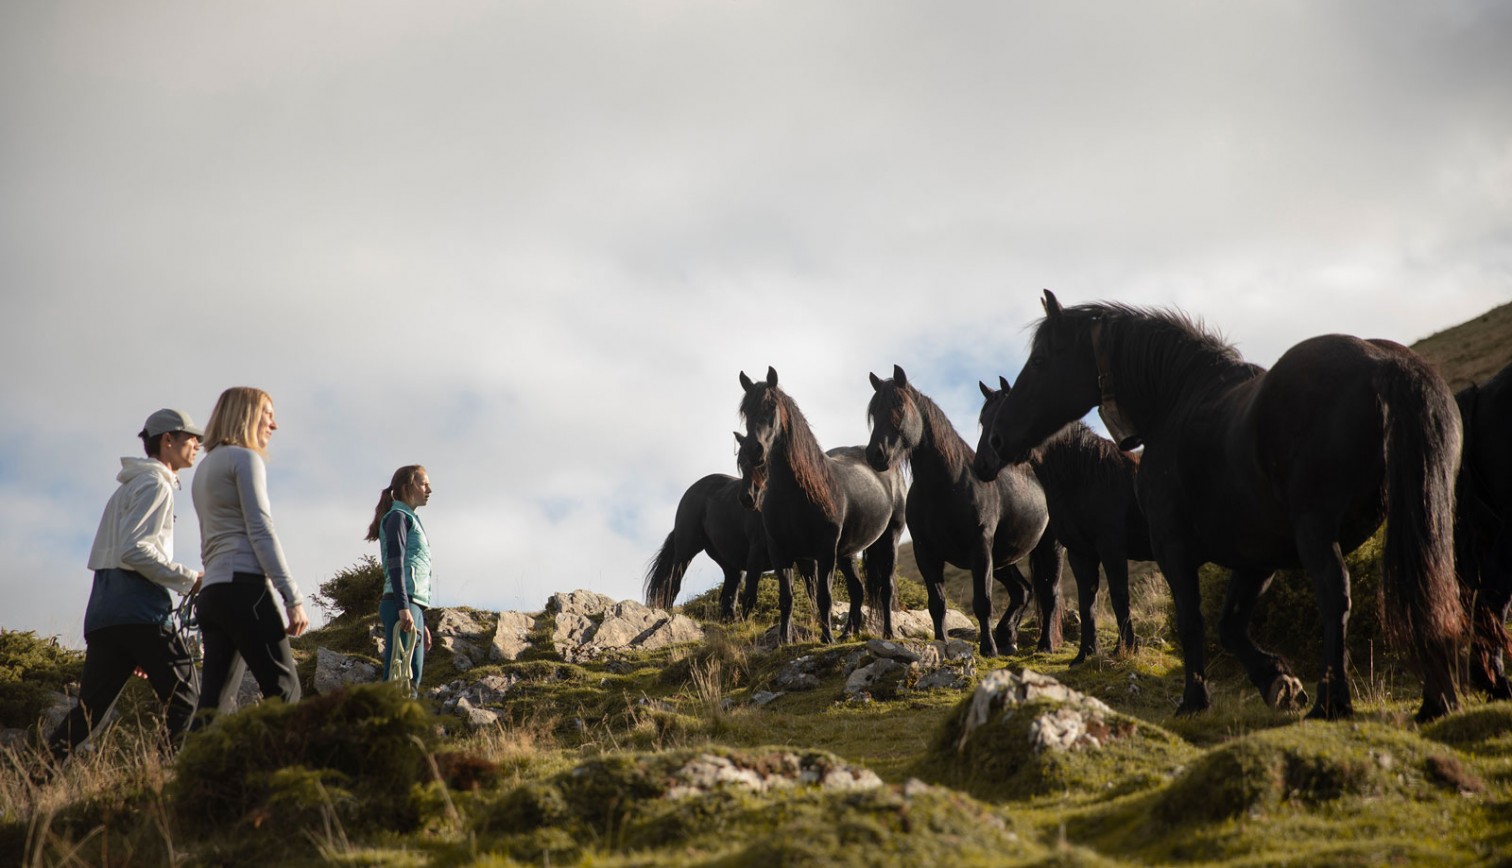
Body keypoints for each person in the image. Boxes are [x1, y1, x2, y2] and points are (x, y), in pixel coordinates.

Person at [46, 409, 206, 761]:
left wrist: (134, 645)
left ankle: (35, 779)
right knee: (186, 697)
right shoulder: (155, 485)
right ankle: (163, 778)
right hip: (141, 609)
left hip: (105, 613)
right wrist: (190, 579)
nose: (198, 444)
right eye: (191, 438)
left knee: (89, 713)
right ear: (168, 440)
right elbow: (136, 550)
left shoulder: (126, 489)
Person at [190, 387, 308, 725]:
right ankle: (279, 773)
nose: (274, 425)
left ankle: (193, 775)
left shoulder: (204, 467)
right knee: (285, 690)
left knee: (214, 704)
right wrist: (292, 595)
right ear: (246, 415)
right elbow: (260, 530)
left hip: (213, 593)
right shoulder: (245, 459)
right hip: (245, 589)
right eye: (268, 415)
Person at [366, 465, 434, 689]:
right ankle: (388, 723)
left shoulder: (407, 517)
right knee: (400, 674)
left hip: (410, 604)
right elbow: (396, 564)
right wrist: (404, 608)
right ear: (408, 487)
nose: (429, 489)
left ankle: (402, 722)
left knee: (410, 675)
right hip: (400, 602)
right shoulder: (397, 517)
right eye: (424, 484)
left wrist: (418, 616)